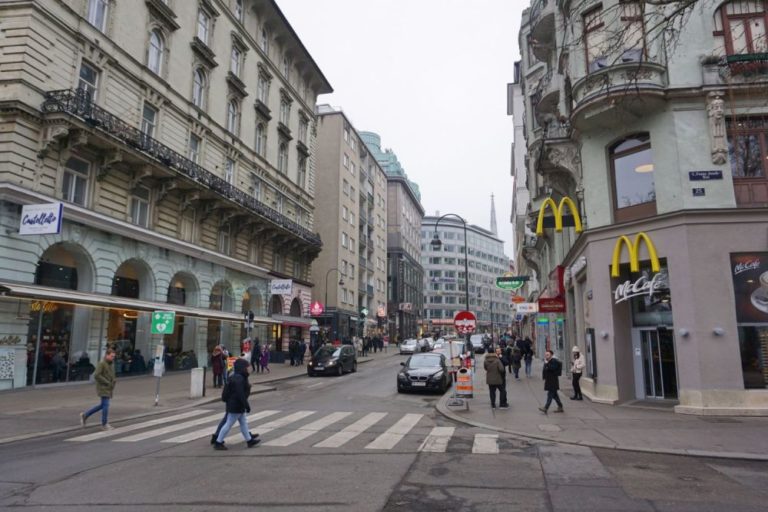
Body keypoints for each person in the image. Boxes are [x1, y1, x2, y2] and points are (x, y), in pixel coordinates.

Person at [213, 358, 260, 450]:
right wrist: (246, 405)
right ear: (242, 368)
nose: (248, 369)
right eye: (247, 367)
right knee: (229, 424)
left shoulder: (236, 377)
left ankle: (249, 440)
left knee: (243, 423)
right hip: (236, 405)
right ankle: (218, 442)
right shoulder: (239, 378)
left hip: (235, 404)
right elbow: (240, 394)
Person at [79, 348, 117, 430]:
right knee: (106, 405)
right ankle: (104, 423)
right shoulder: (102, 363)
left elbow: (112, 375)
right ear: (107, 355)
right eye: (111, 356)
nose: (113, 358)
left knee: (102, 405)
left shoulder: (111, 364)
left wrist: (113, 382)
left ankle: (85, 415)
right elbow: (96, 375)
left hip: (108, 387)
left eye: (114, 356)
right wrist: (107, 382)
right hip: (103, 387)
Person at [539, 350, 564, 414]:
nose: (546, 356)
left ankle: (546, 408)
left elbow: (553, 368)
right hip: (549, 380)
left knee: (550, 395)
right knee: (555, 395)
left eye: (548, 355)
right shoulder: (548, 361)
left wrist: (547, 364)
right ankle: (560, 406)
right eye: (545, 355)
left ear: (551, 355)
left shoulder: (554, 361)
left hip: (553, 381)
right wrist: (544, 377)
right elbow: (545, 370)